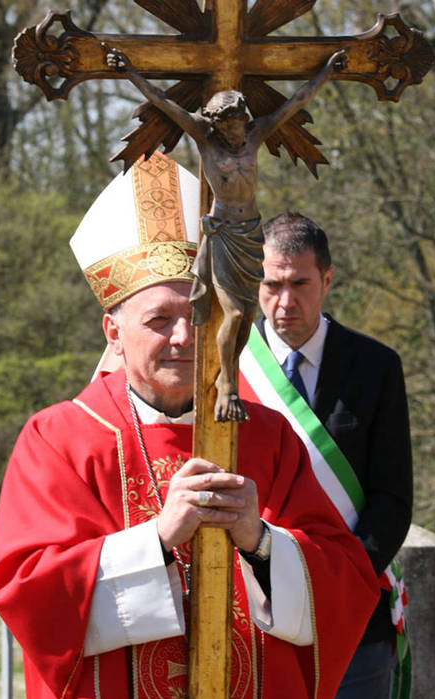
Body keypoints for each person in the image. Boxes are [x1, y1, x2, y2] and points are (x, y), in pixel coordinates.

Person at [0, 153, 379, 699]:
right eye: (158, 320)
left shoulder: (266, 437)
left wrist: (260, 540)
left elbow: (346, 581)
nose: (182, 336)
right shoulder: (60, 439)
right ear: (114, 332)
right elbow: (29, 593)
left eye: (197, 314)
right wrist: (158, 538)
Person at [104, 43, 346, 422]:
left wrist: (326, 74)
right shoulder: (204, 137)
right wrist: (130, 72)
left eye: (238, 124)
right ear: (216, 123)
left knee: (247, 316)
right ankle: (226, 386)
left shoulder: (255, 134)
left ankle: (227, 377)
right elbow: (164, 104)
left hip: (251, 232)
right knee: (232, 314)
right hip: (224, 235)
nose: (235, 133)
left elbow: (295, 103)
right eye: (228, 126)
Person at [246, 211, 413, 699]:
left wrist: (337, 584)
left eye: (300, 283)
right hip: (254, 610)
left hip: (352, 607)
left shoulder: (377, 366)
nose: (285, 301)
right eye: (272, 284)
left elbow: (392, 498)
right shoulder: (223, 366)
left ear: (328, 279)